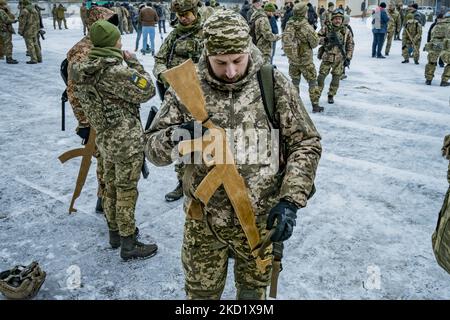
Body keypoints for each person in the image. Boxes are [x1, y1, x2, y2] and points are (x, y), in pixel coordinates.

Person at [144, 10, 321, 300]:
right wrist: (178, 135)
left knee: (252, 296)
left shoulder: (272, 83)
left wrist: (290, 200)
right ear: (206, 53)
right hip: (203, 223)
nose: (230, 71)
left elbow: (306, 142)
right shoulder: (186, 87)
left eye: (238, 60)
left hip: (259, 220)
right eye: (220, 63)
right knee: (200, 296)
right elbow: (152, 150)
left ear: (248, 49)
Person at [70, 19, 158, 261]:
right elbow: (148, 89)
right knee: (126, 189)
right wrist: (133, 62)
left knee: (109, 187)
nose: (121, 41)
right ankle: (129, 243)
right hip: (126, 140)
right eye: (118, 38)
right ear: (112, 42)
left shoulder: (81, 69)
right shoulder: (116, 72)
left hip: (105, 138)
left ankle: (115, 233)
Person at [66, 6, 117, 216]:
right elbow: (74, 90)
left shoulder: (101, 44)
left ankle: (103, 199)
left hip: (107, 115)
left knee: (107, 160)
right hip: (94, 117)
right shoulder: (82, 50)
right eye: (108, 20)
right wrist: (84, 123)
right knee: (105, 161)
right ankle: (107, 205)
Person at [153, 0, 204, 202]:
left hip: (201, 96)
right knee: (181, 137)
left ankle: (205, 181)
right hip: (177, 96)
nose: (183, 18)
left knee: (205, 139)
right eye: (180, 15)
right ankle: (182, 181)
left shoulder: (206, 33)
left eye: (187, 14)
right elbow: (159, 60)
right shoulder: (174, 35)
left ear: (195, 12)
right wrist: (163, 75)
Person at [282, 2, 321, 112]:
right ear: (304, 13)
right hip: (306, 60)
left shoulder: (288, 24)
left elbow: (285, 41)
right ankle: (315, 105)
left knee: (294, 82)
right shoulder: (307, 26)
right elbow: (314, 43)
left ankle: (295, 106)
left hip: (293, 60)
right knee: (312, 82)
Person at [317, 8, 354, 105]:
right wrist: (324, 39)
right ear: (332, 19)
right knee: (321, 77)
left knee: (336, 78)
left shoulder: (346, 31)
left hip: (339, 58)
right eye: (336, 19)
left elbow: (350, 44)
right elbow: (316, 38)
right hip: (327, 57)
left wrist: (348, 57)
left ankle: (331, 95)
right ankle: (317, 95)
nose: (338, 21)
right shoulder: (326, 28)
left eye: (339, 19)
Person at [424, 11, 450, 86]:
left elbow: (432, 34)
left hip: (435, 45)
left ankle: (428, 79)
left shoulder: (438, 24)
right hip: (447, 46)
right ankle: (444, 81)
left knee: (431, 62)